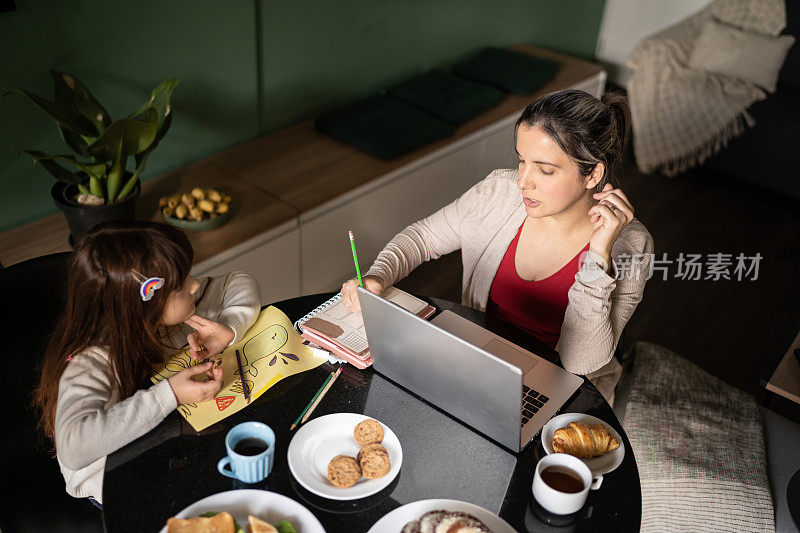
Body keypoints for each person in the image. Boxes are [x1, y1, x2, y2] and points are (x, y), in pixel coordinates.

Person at [342, 90, 654, 405]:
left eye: (545, 170)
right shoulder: (498, 194)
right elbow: (423, 238)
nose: (523, 181)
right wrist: (378, 275)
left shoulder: (632, 245)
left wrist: (598, 259)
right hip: (481, 364)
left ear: (593, 174)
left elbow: (580, 364)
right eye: (522, 160)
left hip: (564, 392)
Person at [33, 221, 261, 506]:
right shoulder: (89, 363)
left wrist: (226, 329)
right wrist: (172, 394)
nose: (195, 284)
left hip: (170, 445)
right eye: (180, 285)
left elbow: (238, 281)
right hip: (117, 484)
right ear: (141, 306)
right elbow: (75, 447)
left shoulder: (163, 316)